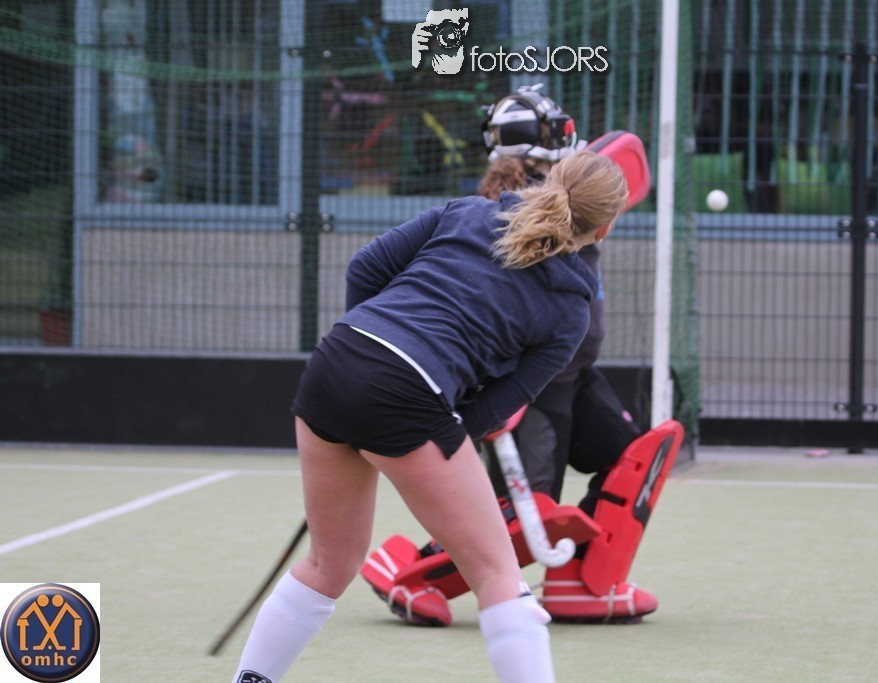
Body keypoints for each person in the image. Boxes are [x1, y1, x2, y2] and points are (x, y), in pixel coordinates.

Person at [230, 150, 628, 683]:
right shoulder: (572, 312)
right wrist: (422, 412)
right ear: (604, 230)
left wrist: (374, 361)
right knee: (498, 576)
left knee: (329, 564)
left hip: (337, 360)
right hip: (405, 394)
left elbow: (364, 268)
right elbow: (499, 406)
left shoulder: (467, 211)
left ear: (549, 182)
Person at [360, 86, 671, 628]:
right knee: (522, 517)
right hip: (531, 385)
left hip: (574, 373)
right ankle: (409, 571)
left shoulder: (570, 194)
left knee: (633, 457)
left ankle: (582, 583)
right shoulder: (510, 212)